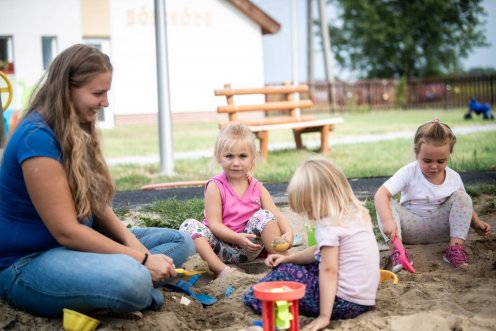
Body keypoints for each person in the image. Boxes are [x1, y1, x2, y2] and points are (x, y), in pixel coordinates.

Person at [0, 44, 195, 318]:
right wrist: (142, 261)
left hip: (76, 248)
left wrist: (138, 251)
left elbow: (97, 206)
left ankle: (112, 288)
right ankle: (131, 288)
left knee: (181, 241)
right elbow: (66, 231)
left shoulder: (74, 125)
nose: (105, 103)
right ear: (67, 89)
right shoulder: (36, 139)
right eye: (98, 93)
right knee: (133, 281)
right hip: (30, 261)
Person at [243, 156, 380, 331]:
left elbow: (329, 270)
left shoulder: (329, 225)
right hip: (364, 299)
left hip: (343, 302)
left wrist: (324, 317)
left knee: (284, 274)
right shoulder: (355, 213)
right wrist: (287, 258)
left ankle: (255, 297)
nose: (308, 216)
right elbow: (321, 251)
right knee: (296, 266)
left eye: (309, 209)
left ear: (322, 198)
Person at [375, 119, 491, 272]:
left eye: (441, 161)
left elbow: (463, 205)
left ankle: (454, 250)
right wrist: (388, 221)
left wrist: (476, 223)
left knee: (463, 197)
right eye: (427, 161)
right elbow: (380, 194)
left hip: (441, 230)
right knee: (385, 202)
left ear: (449, 154)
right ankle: (399, 252)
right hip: (410, 229)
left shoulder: (454, 177)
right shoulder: (408, 172)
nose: (434, 166)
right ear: (417, 153)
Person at [179, 123, 293, 278]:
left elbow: (276, 215)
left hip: (250, 247)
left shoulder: (257, 187)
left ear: (253, 157)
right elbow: (214, 224)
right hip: (219, 248)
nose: (236, 163)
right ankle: (224, 271)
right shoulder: (215, 186)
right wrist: (236, 238)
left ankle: (285, 263)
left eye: (243, 156)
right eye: (229, 156)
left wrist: (288, 232)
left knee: (265, 216)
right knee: (189, 226)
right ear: (219, 156)